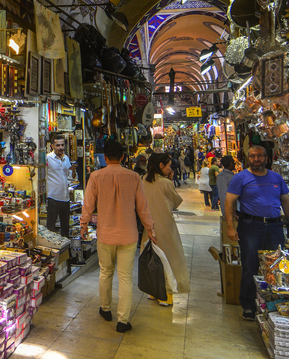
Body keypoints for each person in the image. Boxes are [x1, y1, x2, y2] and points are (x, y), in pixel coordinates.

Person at [80, 139, 156, 333]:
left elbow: (88, 205)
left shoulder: (96, 177)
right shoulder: (134, 177)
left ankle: (105, 309)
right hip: (128, 235)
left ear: (104, 157)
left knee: (105, 272)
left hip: (105, 234)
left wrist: (83, 225)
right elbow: (143, 207)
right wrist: (150, 228)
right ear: (123, 157)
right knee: (125, 277)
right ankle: (123, 320)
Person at [225, 144, 289, 321]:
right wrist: (230, 227)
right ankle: (249, 304)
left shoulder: (276, 178)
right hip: (251, 226)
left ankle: (273, 303)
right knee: (250, 265)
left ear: (267, 158)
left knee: (276, 265)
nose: (256, 159)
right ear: (247, 158)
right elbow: (229, 203)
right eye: (252, 156)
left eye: (260, 156)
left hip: (275, 227)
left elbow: (286, 203)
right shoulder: (241, 178)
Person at [141, 153, 190, 306]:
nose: (170, 168)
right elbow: (176, 202)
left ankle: (153, 292)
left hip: (149, 225)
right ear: (161, 166)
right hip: (165, 225)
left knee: (152, 258)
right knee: (170, 259)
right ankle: (166, 295)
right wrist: (170, 180)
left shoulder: (143, 179)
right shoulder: (165, 183)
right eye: (168, 165)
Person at [45, 133, 74, 238]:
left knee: (65, 228)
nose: (60, 147)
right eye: (58, 145)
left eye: (62, 145)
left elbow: (69, 176)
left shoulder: (66, 158)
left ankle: (65, 252)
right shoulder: (48, 158)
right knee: (51, 228)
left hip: (65, 198)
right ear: (52, 146)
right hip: (53, 197)